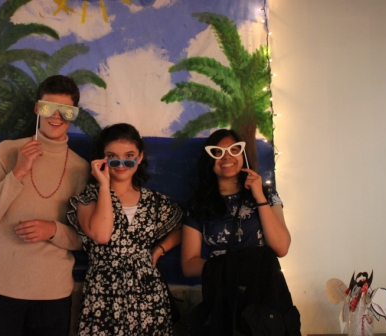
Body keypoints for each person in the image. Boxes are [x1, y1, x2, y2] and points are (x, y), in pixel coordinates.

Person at [0, 75, 90, 336]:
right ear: (37, 108)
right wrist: (18, 173)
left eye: (66, 111)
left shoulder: (81, 168)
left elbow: (85, 237)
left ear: (73, 115)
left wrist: (53, 231)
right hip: (1, 288)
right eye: (48, 108)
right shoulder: (8, 151)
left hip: (53, 293)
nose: (56, 117)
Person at [67, 123, 183, 335]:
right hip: (103, 295)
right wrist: (103, 185)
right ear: (101, 159)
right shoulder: (88, 198)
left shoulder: (154, 201)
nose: (121, 163)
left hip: (148, 295)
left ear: (139, 157)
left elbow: (184, 228)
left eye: (129, 155)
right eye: (112, 157)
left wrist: (160, 249)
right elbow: (101, 235)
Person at [180, 129, 297, 335]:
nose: (227, 157)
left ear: (243, 155)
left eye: (234, 150)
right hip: (223, 300)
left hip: (265, 296)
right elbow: (189, 265)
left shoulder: (267, 195)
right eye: (218, 152)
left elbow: (281, 247)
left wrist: (259, 195)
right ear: (210, 159)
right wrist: (234, 267)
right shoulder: (198, 206)